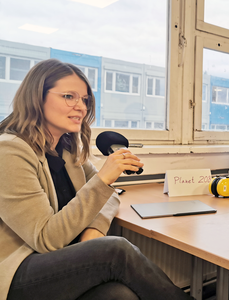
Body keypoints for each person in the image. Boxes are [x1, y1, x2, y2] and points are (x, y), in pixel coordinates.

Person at [0, 59, 191, 300]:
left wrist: (93, 231)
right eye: (69, 96)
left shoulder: (67, 149)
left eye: (85, 99)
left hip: (62, 260)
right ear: (37, 97)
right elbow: (46, 239)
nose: (81, 107)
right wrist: (102, 180)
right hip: (19, 270)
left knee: (120, 296)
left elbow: (109, 195)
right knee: (116, 250)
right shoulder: (9, 151)